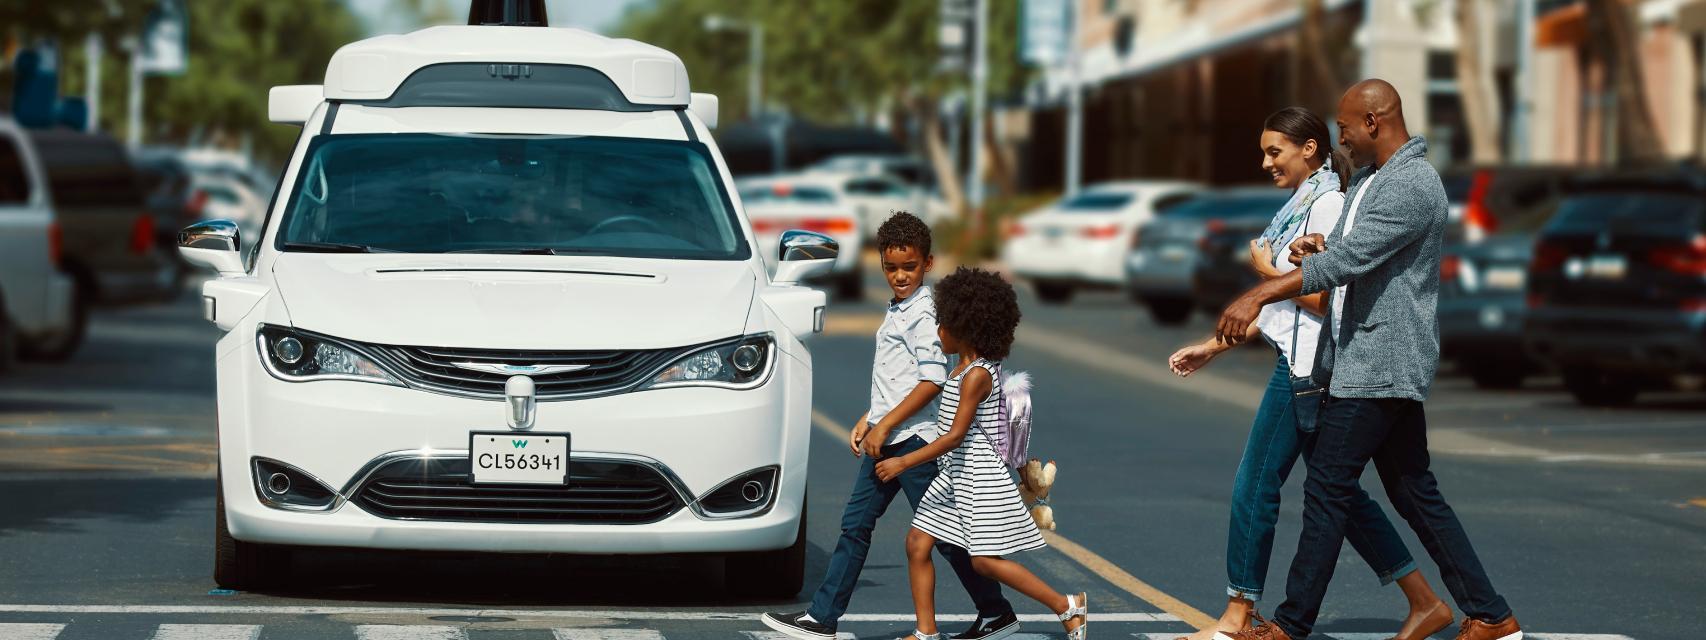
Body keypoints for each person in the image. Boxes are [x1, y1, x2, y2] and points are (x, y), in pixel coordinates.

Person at [1212, 80, 1523, 640]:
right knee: (1413, 491)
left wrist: (1259, 290)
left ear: (1375, 121)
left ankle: (1289, 625)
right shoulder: (1377, 181)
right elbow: (1355, 256)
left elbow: (1352, 261)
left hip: (1379, 362)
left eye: (1347, 126)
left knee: (1328, 487)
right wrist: (1317, 251)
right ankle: (1491, 615)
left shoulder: (1412, 184)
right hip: (1369, 358)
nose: (1343, 138)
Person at [1166, 107, 1450, 640]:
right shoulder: (1303, 206)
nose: (1266, 162)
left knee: (1255, 484)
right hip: (1302, 362)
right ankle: (1424, 599)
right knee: (1338, 494)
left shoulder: (1327, 206)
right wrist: (1212, 346)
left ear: (1310, 149)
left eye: (1275, 151)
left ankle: (1236, 617)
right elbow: (1280, 310)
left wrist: (1268, 273)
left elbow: (1322, 298)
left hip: (1311, 370)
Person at [763, 213, 1020, 640]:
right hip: (888, 437)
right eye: (891, 267)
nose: (900, 276)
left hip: (913, 441)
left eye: (910, 267)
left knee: (942, 535)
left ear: (928, 263)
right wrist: (870, 419)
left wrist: (885, 428)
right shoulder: (900, 306)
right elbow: (895, 376)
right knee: (856, 526)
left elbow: (931, 379)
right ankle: (823, 617)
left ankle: (996, 611)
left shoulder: (924, 313)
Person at [873, 267, 1087, 640]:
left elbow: (955, 436)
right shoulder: (961, 369)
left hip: (978, 477)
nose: (937, 331)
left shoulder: (977, 375)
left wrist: (904, 461)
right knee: (917, 543)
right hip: (954, 475)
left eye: (943, 324)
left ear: (966, 326)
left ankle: (1067, 606)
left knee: (984, 561)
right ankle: (926, 632)